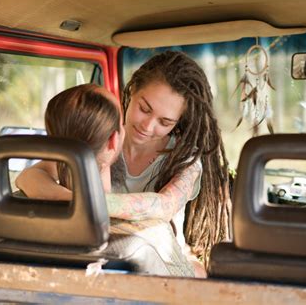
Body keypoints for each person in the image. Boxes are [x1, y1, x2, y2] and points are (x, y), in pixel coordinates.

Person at [16, 51, 231, 274]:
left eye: (165, 122)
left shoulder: (185, 157)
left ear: (179, 121)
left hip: (159, 260)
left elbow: (165, 206)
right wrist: (81, 200)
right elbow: (29, 177)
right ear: (132, 90)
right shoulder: (102, 138)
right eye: (144, 108)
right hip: (99, 255)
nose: (148, 126)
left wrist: (87, 203)